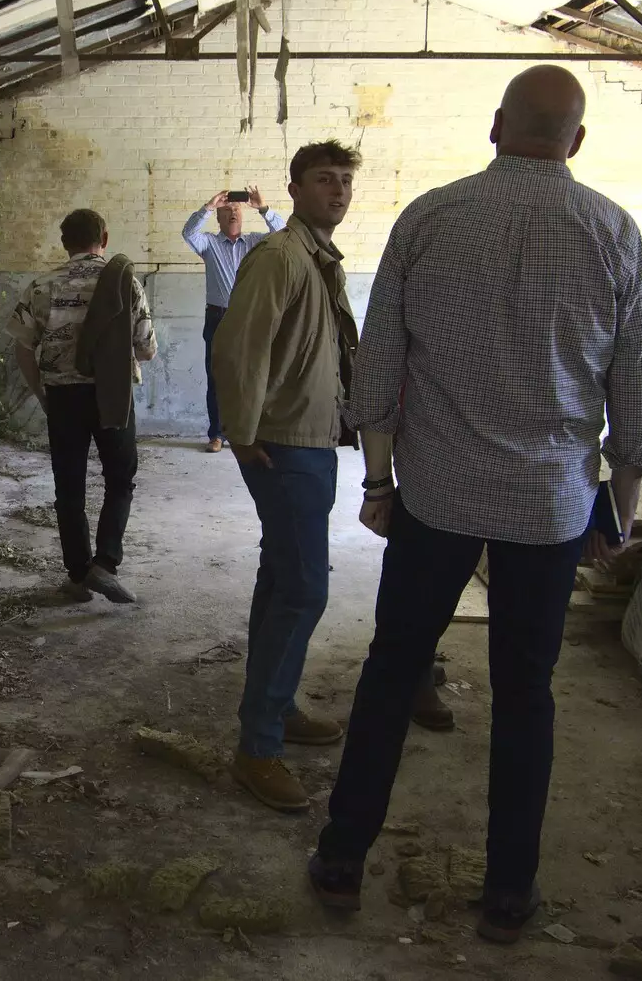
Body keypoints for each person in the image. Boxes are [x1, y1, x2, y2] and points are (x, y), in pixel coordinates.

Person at [308, 66, 642, 945]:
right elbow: (636, 396)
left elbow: (378, 366)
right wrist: (615, 515)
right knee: (525, 695)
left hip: (436, 497)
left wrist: (380, 484)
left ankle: (343, 857)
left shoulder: (430, 216)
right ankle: (508, 892)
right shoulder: (614, 232)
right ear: (576, 141)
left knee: (393, 670)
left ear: (497, 125)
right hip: (548, 509)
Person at [211, 141, 363, 813]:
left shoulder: (316, 257)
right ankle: (258, 747)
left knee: (283, 580)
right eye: (323, 180)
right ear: (294, 189)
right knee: (304, 590)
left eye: (344, 180)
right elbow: (239, 346)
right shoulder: (278, 256)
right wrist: (242, 433)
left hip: (313, 440)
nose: (337, 190)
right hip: (283, 444)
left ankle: (277, 705)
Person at [8, 209, 157, 604]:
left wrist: (43, 393)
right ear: (104, 239)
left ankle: (77, 576)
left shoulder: (42, 286)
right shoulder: (126, 284)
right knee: (120, 480)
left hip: (63, 398)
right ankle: (105, 565)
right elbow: (145, 350)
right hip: (113, 396)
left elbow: (24, 348)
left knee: (69, 488)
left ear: (64, 243)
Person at [183, 189, 287, 453]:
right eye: (226, 211)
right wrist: (208, 206)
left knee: (254, 374)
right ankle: (217, 434)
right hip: (218, 317)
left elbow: (285, 234)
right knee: (216, 377)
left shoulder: (256, 243)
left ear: (243, 216)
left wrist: (263, 208)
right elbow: (189, 233)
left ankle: (251, 432)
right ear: (218, 218)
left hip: (251, 316)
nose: (232, 213)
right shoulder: (209, 244)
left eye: (236, 210)